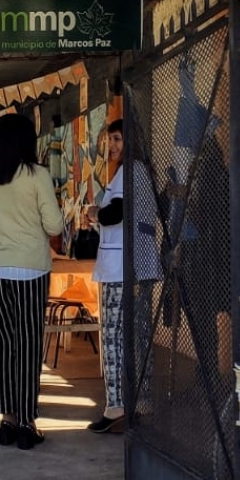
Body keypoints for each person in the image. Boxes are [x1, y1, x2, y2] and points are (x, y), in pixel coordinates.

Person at [0, 113, 63, 450]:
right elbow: (53, 226)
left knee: (5, 345)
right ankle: (27, 421)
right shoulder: (37, 175)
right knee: (28, 344)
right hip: (31, 269)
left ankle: (6, 420)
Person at [86, 118, 163, 434]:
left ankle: (116, 404)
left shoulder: (127, 174)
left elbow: (114, 213)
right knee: (139, 335)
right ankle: (141, 402)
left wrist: (93, 213)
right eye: (110, 140)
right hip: (140, 265)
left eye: (117, 139)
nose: (113, 146)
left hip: (119, 268)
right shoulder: (145, 172)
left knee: (114, 338)